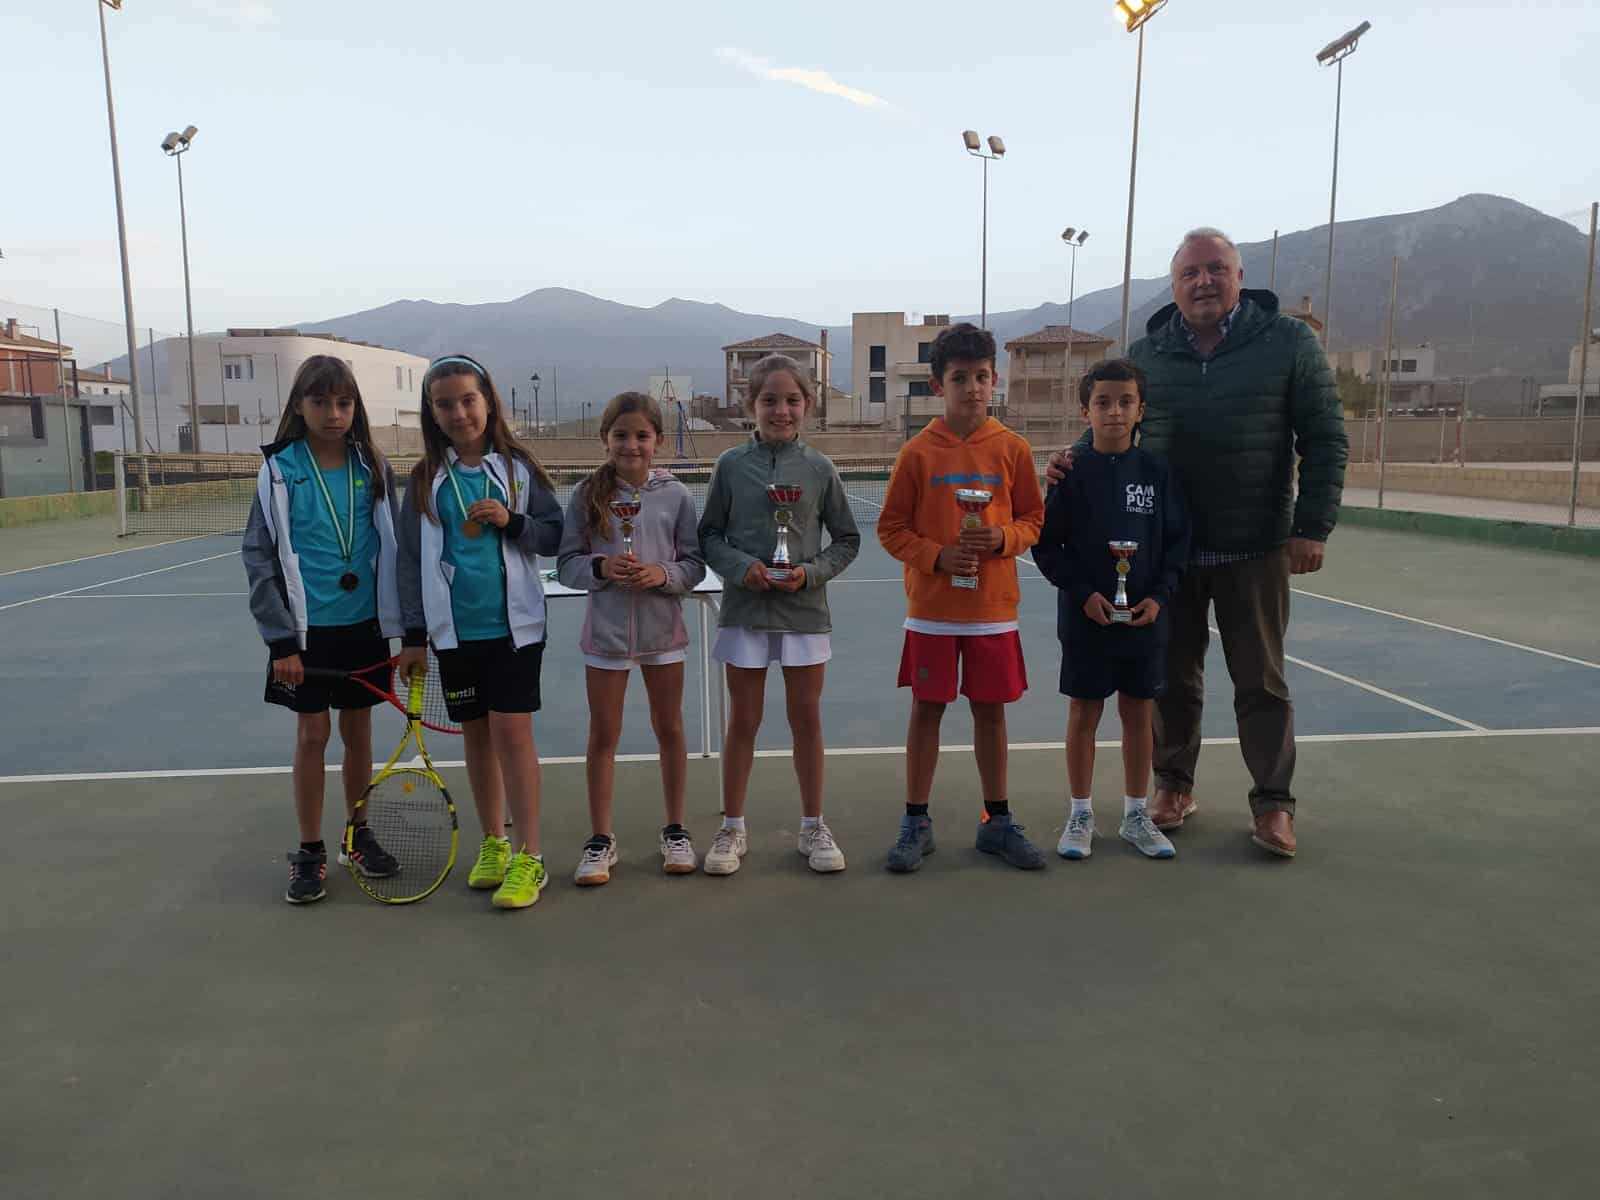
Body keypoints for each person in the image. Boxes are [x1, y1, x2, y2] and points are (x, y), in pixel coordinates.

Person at [1047, 228, 1348, 857]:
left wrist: (1311, 526)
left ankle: (1273, 804)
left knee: (1261, 683)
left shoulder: (1288, 342)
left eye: (1216, 269)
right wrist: (1068, 463)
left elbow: (1324, 437)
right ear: (1175, 284)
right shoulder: (1150, 351)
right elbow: (1115, 424)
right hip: (1165, 555)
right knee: (1170, 680)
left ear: (1239, 276)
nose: (1203, 282)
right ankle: (1173, 786)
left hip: (1255, 546)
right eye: (1190, 273)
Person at [878, 322, 1047, 873]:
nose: (972, 387)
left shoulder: (1013, 450)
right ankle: (915, 820)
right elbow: (892, 528)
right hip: (932, 611)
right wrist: (935, 557)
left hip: (992, 611)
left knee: (990, 712)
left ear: (993, 379)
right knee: (927, 710)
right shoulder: (917, 453)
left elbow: (1033, 519)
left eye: (980, 376)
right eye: (959, 378)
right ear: (937, 386)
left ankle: (996, 820)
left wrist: (1003, 539)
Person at [396, 354, 563, 908]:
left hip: (515, 631)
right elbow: (409, 560)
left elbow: (555, 536)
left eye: (468, 399)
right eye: (445, 404)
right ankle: (493, 841)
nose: (459, 412)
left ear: (488, 401)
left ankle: (529, 856)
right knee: (476, 737)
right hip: (453, 636)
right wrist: (414, 636)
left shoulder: (520, 468)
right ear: (432, 412)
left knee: (513, 735)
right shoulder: (423, 480)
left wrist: (512, 522)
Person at [243, 355, 404, 904]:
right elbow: (259, 558)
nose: (333, 413)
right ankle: (309, 850)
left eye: (343, 402)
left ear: (355, 407)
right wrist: (280, 640)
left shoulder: (373, 468)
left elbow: (395, 548)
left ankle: (357, 838)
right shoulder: (279, 469)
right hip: (306, 637)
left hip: (365, 629)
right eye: (320, 402)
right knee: (313, 735)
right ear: (299, 406)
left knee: (358, 735)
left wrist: (406, 630)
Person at [696, 353, 861, 875]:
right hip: (745, 611)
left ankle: (813, 826)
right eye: (770, 400)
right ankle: (733, 828)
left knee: (805, 720)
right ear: (751, 405)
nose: (781, 410)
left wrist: (809, 573)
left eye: (792, 400)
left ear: (808, 405)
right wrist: (742, 567)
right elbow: (708, 536)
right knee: (743, 720)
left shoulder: (819, 468)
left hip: (804, 614)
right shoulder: (729, 466)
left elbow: (848, 539)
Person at [1033, 359, 1190, 861]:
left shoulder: (1159, 473)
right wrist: (1082, 593)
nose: (1114, 412)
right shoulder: (1070, 475)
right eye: (1103, 402)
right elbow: (1046, 546)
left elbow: (1177, 545)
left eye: (1125, 402)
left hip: (1144, 618)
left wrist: (1160, 597)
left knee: (1138, 714)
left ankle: (1136, 814)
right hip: (1086, 619)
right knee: (1084, 712)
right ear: (1086, 411)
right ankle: (1080, 812)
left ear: (1141, 409)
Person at [556, 391, 707, 884]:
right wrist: (601, 567)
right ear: (606, 440)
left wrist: (660, 575)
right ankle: (601, 839)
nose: (631, 445)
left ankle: (676, 830)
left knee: (671, 730)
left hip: (664, 633)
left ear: (658, 441)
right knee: (604, 735)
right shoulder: (585, 494)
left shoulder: (677, 496)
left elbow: (693, 564)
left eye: (642, 435)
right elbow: (567, 564)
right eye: (621, 435)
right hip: (607, 636)